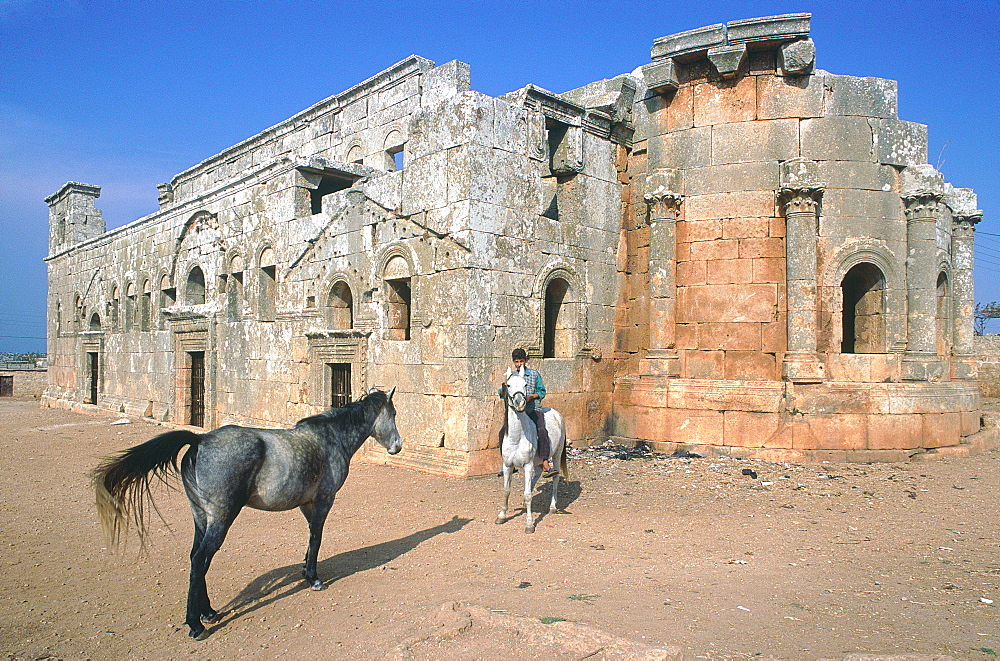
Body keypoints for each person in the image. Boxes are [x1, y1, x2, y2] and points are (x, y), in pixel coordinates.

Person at [498, 348, 555, 477]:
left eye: (521, 361)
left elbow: (542, 391)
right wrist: (503, 390)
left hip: (532, 408)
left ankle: (545, 461)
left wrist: (531, 397)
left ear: (526, 361)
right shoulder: (511, 376)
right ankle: (507, 463)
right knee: (502, 432)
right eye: (516, 362)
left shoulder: (534, 374)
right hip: (517, 413)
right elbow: (502, 394)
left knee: (542, 430)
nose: (519, 364)